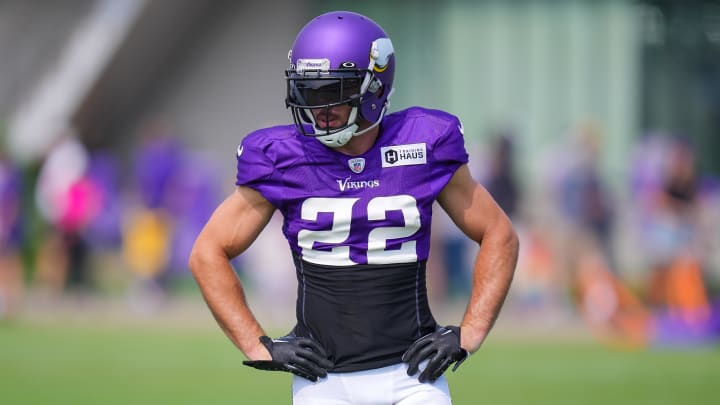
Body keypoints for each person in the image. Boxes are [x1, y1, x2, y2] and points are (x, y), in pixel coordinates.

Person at [189, 11, 518, 404]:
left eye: (332, 92)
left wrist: (470, 333)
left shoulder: (423, 144)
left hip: (413, 376)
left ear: (373, 89)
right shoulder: (282, 157)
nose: (318, 108)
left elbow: (500, 234)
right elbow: (207, 252)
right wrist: (256, 344)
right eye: (308, 92)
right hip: (323, 381)